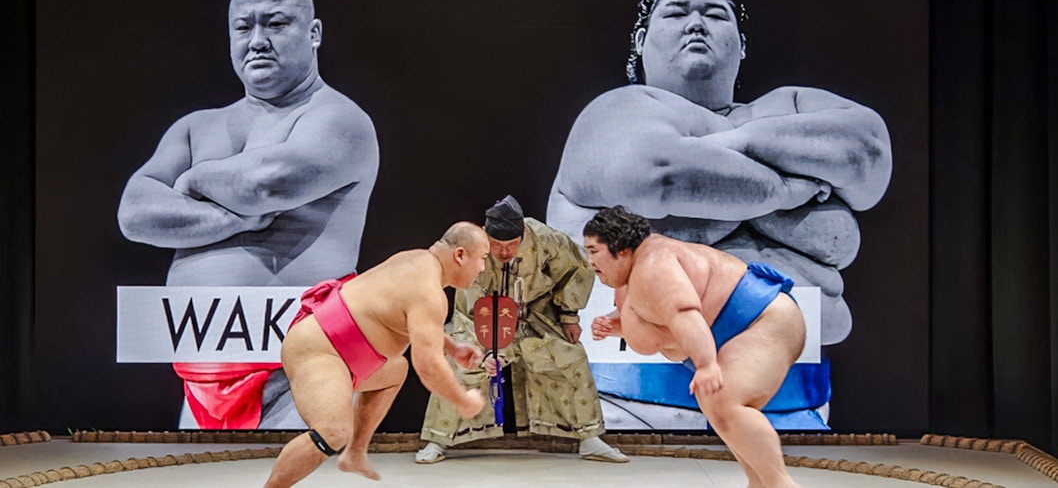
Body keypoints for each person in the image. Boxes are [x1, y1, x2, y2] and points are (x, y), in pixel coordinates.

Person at [547, 0, 891, 428]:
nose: (696, 23)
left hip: (795, 407)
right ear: (641, 40)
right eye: (676, 13)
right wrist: (790, 187)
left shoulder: (785, 102)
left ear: (742, 45)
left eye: (715, 14)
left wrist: (738, 144)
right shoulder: (613, 114)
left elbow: (868, 156)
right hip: (628, 406)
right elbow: (662, 175)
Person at [117, 0, 379, 429]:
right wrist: (235, 223)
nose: (257, 40)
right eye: (243, 27)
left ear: (313, 34)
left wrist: (192, 178)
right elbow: (134, 214)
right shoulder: (196, 126)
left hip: (302, 372)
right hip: (201, 370)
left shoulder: (340, 119)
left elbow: (267, 185)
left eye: (276, 24)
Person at [585, 206, 805, 488]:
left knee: (725, 401)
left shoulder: (653, 263)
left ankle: (780, 484)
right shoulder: (636, 271)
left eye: (594, 250)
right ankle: (760, 483)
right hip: (740, 329)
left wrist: (706, 364)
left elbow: (684, 312)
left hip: (762, 321)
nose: (589, 260)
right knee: (716, 404)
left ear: (622, 248)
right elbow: (658, 318)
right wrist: (615, 326)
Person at [263, 222, 489, 487]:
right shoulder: (428, 291)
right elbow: (427, 365)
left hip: (344, 355)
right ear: (460, 255)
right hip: (320, 349)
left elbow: (412, 321)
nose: (483, 268)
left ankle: (356, 452)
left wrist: (452, 347)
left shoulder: (416, 259)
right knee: (333, 431)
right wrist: (462, 400)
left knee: (395, 371)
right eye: (483, 258)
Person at [415, 196, 628, 464]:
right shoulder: (471, 248)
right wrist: (483, 350)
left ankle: (589, 439)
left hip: (535, 313)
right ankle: (438, 440)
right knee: (459, 361)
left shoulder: (544, 238)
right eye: (497, 245)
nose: (504, 252)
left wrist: (569, 314)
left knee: (569, 355)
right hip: (483, 318)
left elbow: (577, 268)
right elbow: (467, 308)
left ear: (523, 234)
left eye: (511, 245)